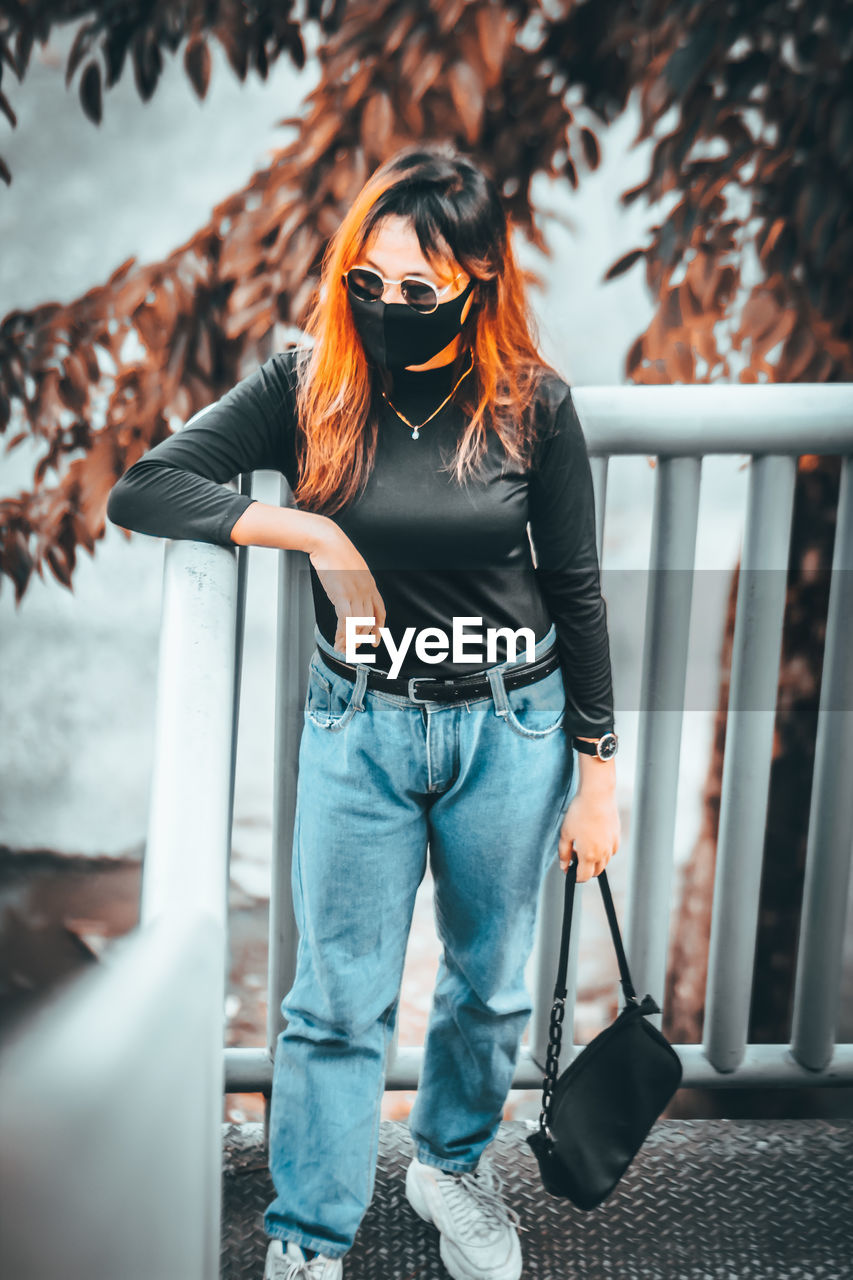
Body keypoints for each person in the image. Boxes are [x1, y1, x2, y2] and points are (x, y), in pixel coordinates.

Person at [107, 141, 621, 1280]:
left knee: (488, 983)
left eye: (419, 290)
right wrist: (310, 528)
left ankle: (449, 1165)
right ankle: (308, 1230)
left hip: (511, 728)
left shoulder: (532, 403)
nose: (387, 307)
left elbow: (575, 587)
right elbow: (144, 485)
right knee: (336, 997)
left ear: (479, 282)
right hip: (362, 729)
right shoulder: (310, 381)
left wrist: (599, 772)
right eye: (366, 282)